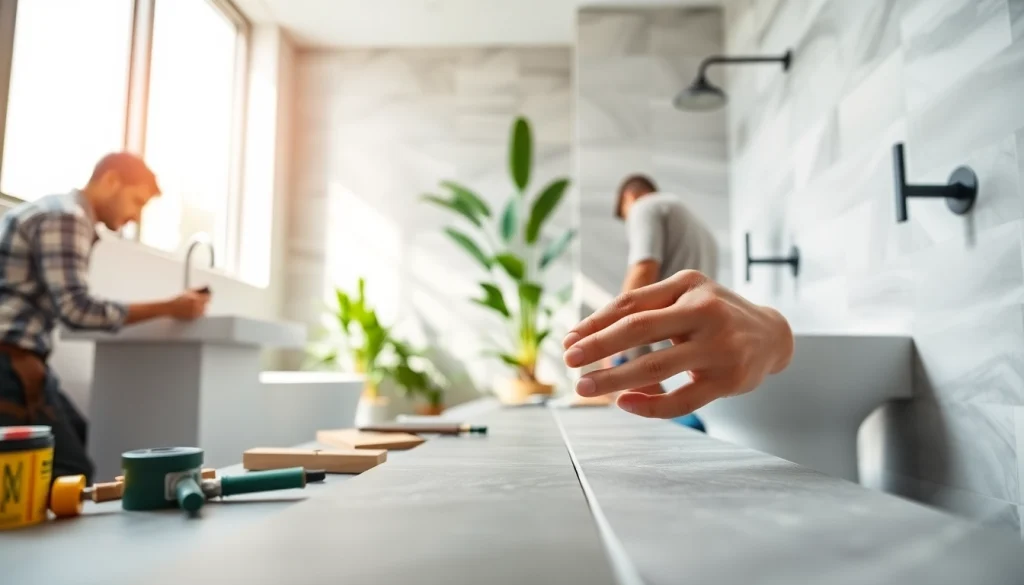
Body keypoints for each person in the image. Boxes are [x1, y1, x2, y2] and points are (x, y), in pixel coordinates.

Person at [0, 152, 211, 483]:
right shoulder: (66, 217)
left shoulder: (57, 212)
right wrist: (169, 307)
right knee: (71, 470)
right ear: (111, 180)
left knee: (83, 445)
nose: (136, 215)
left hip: (21, 361)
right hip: (8, 360)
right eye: (136, 200)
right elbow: (77, 310)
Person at [563, 269, 794, 419]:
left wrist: (613, 353)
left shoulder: (646, 208)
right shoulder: (701, 234)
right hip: (696, 370)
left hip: (684, 371)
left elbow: (641, 272)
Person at [609, 175, 718, 367]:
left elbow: (643, 271)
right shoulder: (695, 224)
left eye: (626, 216)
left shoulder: (643, 206)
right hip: (702, 342)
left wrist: (614, 339)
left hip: (667, 348)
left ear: (629, 197)